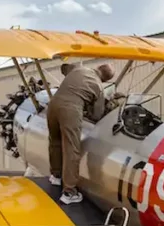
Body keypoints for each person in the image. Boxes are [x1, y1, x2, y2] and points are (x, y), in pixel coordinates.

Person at [47, 62, 115, 204]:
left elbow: (64, 67)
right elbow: (96, 115)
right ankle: (69, 192)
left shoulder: (78, 68)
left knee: (55, 140)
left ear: (98, 67)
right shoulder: (99, 88)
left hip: (53, 105)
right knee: (71, 149)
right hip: (70, 110)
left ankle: (56, 176)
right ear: (105, 80)